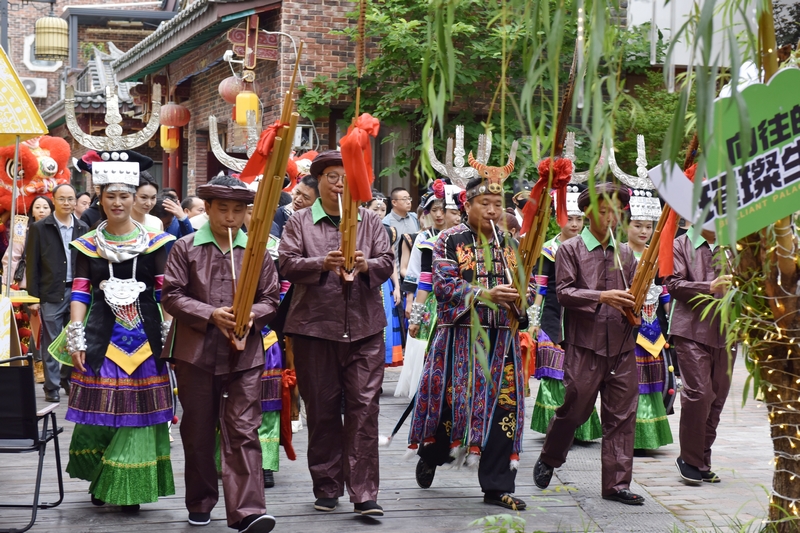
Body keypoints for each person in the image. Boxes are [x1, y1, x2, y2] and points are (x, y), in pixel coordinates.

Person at [52, 151, 175, 512]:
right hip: (101, 336)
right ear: (100, 197)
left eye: (125, 195)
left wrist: (170, 335)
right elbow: (79, 290)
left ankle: (126, 487)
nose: (118, 202)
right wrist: (76, 332)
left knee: (138, 413)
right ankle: (101, 476)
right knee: (100, 412)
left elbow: (163, 292)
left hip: (147, 339)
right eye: (111, 196)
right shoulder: (86, 244)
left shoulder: (157, 242)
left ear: (136, 197)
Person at [408, 164, 531, 511]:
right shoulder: (449, 239)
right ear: (467, 206)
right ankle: (432, 454)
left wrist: (523, 296)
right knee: (454, 407)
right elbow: (444, 286)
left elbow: (530, 283)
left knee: (505, 409)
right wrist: (485, 295)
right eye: (485, 203)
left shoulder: (511, 243)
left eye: (497, 203)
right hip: (459, 341)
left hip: (502, 341)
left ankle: (496, 486)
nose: (493, 210)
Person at [162, 175, 280, 532]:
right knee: (198, 430)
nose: (230, 217)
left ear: (247, 213)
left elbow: (271, 299)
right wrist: (210, 313)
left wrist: (249, 315)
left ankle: (248, 511)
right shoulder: (184, 247)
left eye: (238, 210)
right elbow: (171, 295)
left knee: (244, 429)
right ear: (208, 209)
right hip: (195, 352)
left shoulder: (258, 250)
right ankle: (200, 500)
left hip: (244, 355)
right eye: (222, 209)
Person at [279, 150, 393, 516]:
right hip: (315, 329)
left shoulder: (371, 223)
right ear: (320, 181)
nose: (340, 183)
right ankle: (327, 486)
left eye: (347, 176)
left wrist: (367, 264)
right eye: (332, 176)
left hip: (365, 329)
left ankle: (364, 493)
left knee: (364, 409)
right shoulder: (299, 222)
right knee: (323, 409)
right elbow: (286, 264)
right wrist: (320, 263)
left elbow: (387, 262)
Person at [533, 183, 644, 506]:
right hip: (585, 345)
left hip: (622, 345)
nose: (610, 218)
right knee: (574, 409)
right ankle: (551, 457)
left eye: (615, 211)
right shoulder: (570, 249)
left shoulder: (626, 253)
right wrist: (602, 297)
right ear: (589, 213)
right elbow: (564, 293)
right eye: (603, 211)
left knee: (622, 417)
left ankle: (616, 484)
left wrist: (634, 303)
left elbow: (634, 296)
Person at [529, 189, 602, 442]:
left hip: (584, 318)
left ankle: (581, 429)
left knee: (582, 377)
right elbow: (540, 287)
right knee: (555, 373)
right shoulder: (549, 248)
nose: (573, 224)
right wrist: (534, 321)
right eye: (568, 218)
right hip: (553, 317)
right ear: (557, 219)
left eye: (578, 219)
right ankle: (554, 428)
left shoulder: (591, 247)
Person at [666, 227, 733, 484]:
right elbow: (673, 284)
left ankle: (703, 460)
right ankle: (690, 459)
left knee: (717, 397)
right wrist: (709, 286)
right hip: (690, 329)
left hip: (727, 331)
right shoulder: (680, 244)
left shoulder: (732, 245)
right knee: (700, 393)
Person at [396, 181, 463, 397]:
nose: (445, 215)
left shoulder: (470, 241)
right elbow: (421, 278)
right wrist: (414, 312)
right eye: (440, 210)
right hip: (434, 304)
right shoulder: (427, 241)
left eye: (454, 211)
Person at [26, 188, 89, 401]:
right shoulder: (40, 228)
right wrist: (34, 297)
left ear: (75, 201)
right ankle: (51, 387)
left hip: (78, 291)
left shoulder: (83, 227)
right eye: (61, 198)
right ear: (54, 200)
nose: (66, 202)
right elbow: (32, 263)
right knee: (52, 340)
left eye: (70, 198)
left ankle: (67, 378)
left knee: (74, 337)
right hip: (51, 290)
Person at [625, 211, 673, 453]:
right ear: (626, 226)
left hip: (654, 327)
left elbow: (664, 290)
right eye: (637, 225)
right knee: (632, 382)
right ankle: (631, 436)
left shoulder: (656, 256)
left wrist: (672, 317)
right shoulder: (620, 255)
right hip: (629, 329)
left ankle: (649, 436)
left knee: (654, 381)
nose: (643, 231)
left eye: (648, 226)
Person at [4, 196, 53, 384]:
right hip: (28, 286)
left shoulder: (54, 230)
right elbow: (12, 257)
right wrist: (7, 284)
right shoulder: (22, 230)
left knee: (46, 326)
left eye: (45, 207)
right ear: (32, 210)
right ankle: (38, 364)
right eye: (38, 207)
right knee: (36, 326)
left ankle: (44, 364)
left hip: (51, 285)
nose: (41, 210)